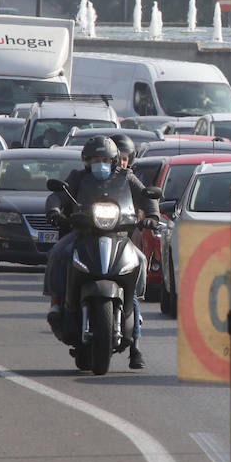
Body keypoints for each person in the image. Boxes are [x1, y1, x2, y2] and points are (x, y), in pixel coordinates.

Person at [43, 135, 158, 370]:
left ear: (114, 160)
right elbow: (59, 195)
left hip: (119, 236)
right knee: (58, 253)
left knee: (140, 258)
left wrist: (152, 216)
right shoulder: (77, 178)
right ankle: (56, 303)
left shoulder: (126, 178)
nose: (100, 164)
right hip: (82, 234)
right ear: (86, 161)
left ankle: (134, 300)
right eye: (95, 159)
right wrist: (54, 209)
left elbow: (146, 196)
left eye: (105, 159)